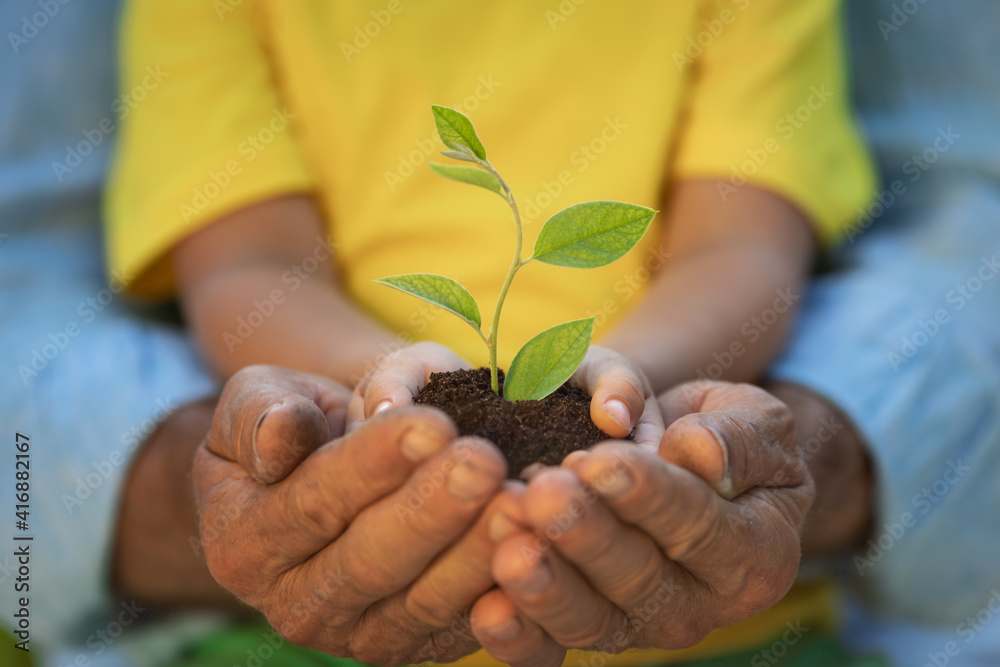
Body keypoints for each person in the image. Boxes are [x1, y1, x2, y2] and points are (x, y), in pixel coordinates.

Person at [103, 0, 872, 663]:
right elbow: (253, 266)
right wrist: (381, 380)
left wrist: (624, 379)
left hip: (729, 624)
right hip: (312, 625)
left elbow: (740, 245)